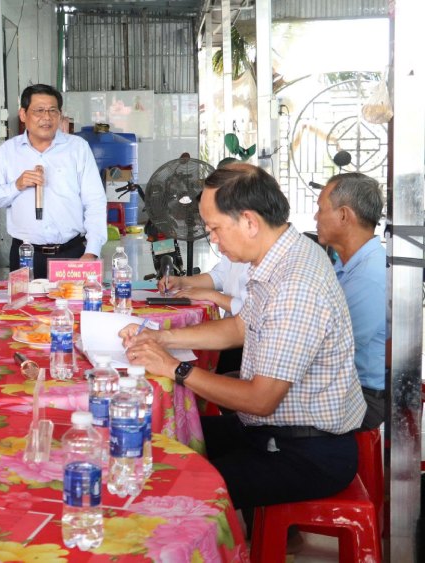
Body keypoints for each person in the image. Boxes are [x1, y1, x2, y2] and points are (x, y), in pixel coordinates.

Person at [121, 163, 366, 520]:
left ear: (250, 221)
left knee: (165, 487)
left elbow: (260, 399)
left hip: (305, 451)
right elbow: (239, 327)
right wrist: (161, 337)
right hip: (268, 431)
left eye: (215, 228)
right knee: (160, 435)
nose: (213, 240)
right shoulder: (278, 258)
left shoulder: (296, 284)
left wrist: (175, 367)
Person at [0, 83, 107, 279]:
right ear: (23, 114)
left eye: (52, 111)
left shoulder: (77, 148)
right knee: (23, 308)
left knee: (73, 308)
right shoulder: (8, 151)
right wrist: (17, 185)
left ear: (60, 114)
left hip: (72, 254)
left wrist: (91, 252)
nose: (47, 118)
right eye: (39, 111)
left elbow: (95, 202)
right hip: (25, 255)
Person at [315, 172, 387, 430]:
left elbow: (329, 349)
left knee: (250, 397)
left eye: (321, 209)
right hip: (337, 381)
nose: (316, 217)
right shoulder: (344, 264)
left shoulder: (369, 276)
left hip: (361, 395)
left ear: (344, 215)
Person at [159, 254, 250, 317]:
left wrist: (211, 295)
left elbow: (249, 314)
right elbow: (219, 276)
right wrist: (180, 282)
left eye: (217, 229)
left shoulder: (261, 265)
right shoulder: (234, 250)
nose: (214, 238)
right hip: (230, 328)